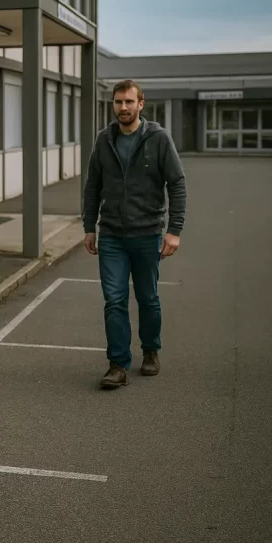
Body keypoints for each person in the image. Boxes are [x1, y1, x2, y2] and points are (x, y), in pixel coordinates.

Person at [82, 79, 187, 389]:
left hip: (148, 233)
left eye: (129, 102)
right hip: (112, 234)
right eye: (118, 102)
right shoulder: (104, 139)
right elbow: (93, 186)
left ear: (141, 104)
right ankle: (117, 364)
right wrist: (90, 226)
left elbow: (177, 184)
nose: (123, 108)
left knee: (148, 298)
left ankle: (151, 350)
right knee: (114, 300)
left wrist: (174, 231)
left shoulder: (158, 139)